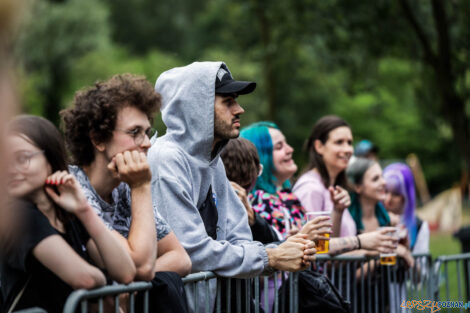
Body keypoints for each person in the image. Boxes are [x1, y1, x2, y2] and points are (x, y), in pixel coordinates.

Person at [148, 62, 315, 311]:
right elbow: (191, 250)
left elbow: (239, 237)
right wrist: (271, 257)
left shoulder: (213, 162)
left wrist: (281, 250)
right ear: (198, 107)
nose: (240, 109)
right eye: (228, 101)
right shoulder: (166, 158)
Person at [61, 74, 191, 312]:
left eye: (147, 131)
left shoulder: (126, 185)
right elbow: (141, 266)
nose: (147, 143)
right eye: (135, 132)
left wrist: (127, 287)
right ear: (98, 139)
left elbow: (180, 258)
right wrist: (141, 187)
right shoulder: (73, 187)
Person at [1, 115, 135, 313]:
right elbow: (86, 279)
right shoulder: (18, 216)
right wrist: (104, 284)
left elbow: (125, 272)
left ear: (50, 160)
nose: (11, 169)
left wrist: (84, 209)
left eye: (22, 158)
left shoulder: (67, 213)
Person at [241, 121, 396, 256]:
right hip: (278, 289)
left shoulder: (287, 197)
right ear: (261, 155)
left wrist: (338, 211)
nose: (290, 149)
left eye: (349, 142)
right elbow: (292, 251)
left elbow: (320, 244)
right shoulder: (260, 201)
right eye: (279, 146)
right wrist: (360, 242)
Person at [347, 157, 414, 266]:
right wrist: (383, 253)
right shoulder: (348, 221)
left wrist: (405, 247)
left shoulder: (387, 220)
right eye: (375, 179)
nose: (383, 182)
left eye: (382, 176)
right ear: (358, 187)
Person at [383, 163, 430, 254]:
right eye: (386, 191)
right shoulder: (374, 219)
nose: (388, 199)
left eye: (396, 194)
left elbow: (421, 265)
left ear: (407, 195)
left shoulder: (419, 225)